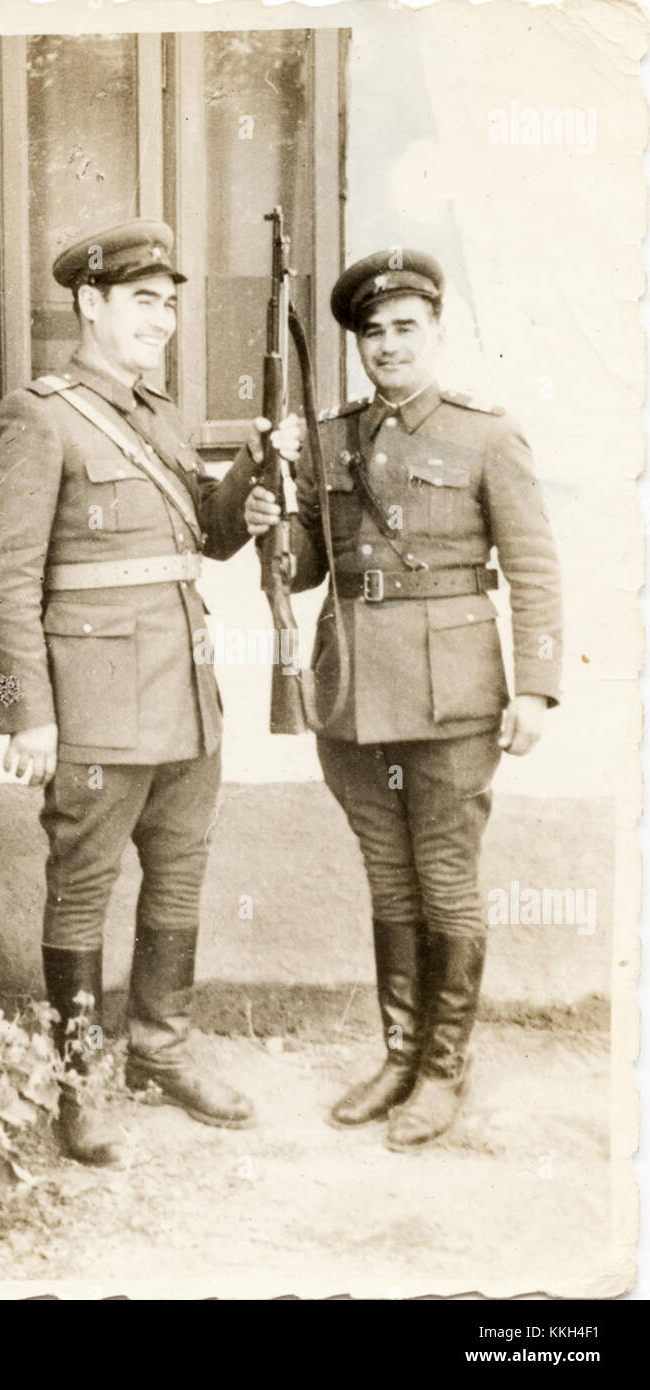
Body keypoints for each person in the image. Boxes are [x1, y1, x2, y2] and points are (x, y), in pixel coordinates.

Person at [0, 219, 301, 1163]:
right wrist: (23, 709)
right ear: (91, 302)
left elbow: (201, 534)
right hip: (93, 707)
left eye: (169, 303)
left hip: (188, 694)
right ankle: (78, 1084)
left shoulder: (159, 413)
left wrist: (248, 487)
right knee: (81, 891)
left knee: (181, 875)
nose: (161, 318)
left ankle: (159, 1051)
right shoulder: (39, 415)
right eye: (143, 301)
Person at [245, 249, 562, 1149]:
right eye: (370, 333)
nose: (386, 345)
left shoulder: (487, 436)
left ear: (434, 332)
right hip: (351, 692)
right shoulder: (335, 437)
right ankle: (396, 1055)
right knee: (388, 877)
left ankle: (441, 1071)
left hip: (454, 695)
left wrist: (534, 689)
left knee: (446, 880)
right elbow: (312, 567)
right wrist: (279, 528)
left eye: (402, 329)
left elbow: (535, 567)